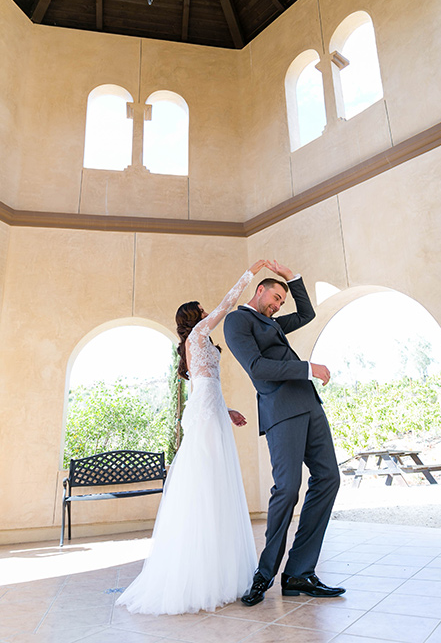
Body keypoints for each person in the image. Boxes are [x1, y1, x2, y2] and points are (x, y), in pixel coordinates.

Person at [116, 260, 267, 615]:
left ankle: (219, 570)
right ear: (194, 317)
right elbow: (227, 304)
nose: (206, 312)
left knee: (216, 483)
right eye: (201, 310)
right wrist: (250, 273)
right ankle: (200, 575)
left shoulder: (196, 344)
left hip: (210, 411)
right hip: (204, 415)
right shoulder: (198, 335)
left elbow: (207, 385)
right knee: (206, 483)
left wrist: (225, 411)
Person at [224, 260, 345, 606]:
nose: (278, 306)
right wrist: (307, 367)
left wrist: (292, 278)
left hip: (310, 405)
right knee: (288, 489)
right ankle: (264, 575)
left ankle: (299, 574)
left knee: (329, 478)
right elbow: (258, 368)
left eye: (281, 302)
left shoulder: (272, 324)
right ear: (259, 290)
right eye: (275, 297)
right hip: (281, 410)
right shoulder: (238, 321)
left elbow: (306, 314)